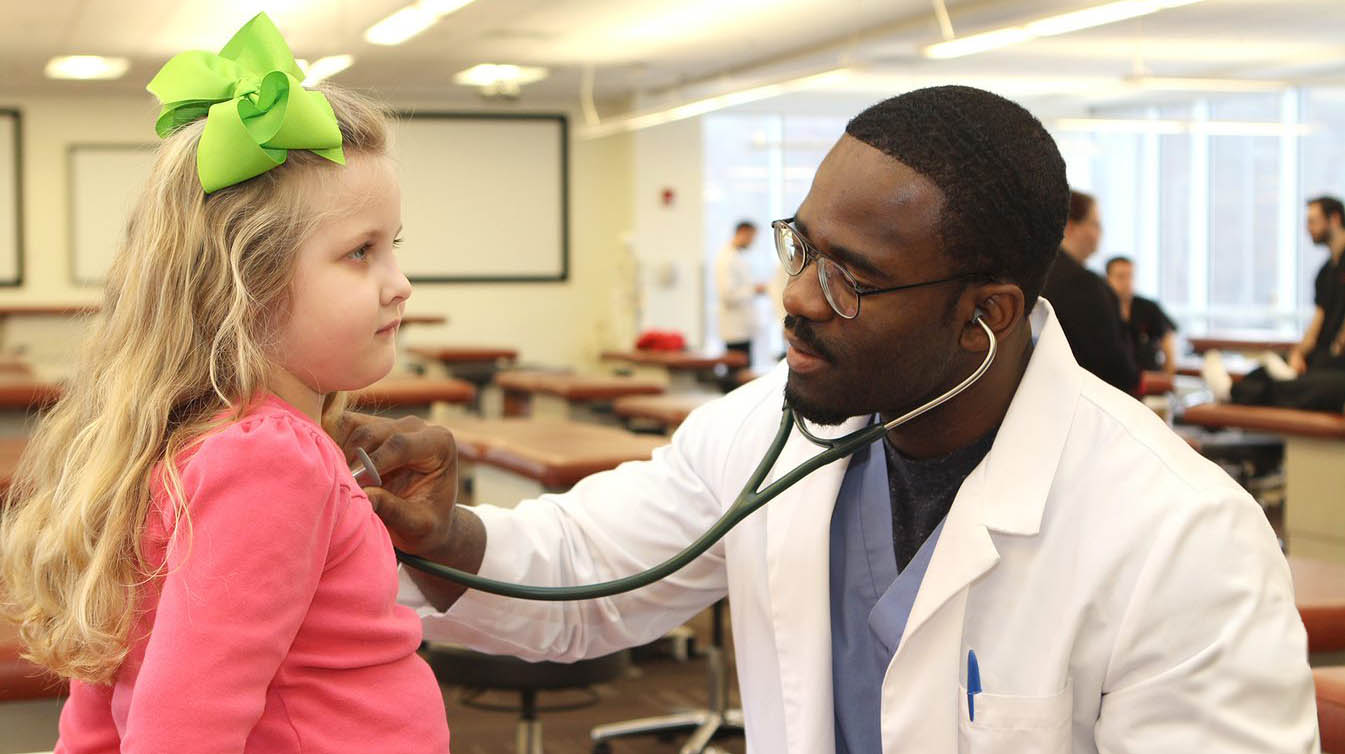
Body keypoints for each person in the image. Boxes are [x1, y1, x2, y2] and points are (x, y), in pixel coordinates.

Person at [348, 87, 1315, 753]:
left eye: (853, 277)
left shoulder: (1180, 537)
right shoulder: (770, 429)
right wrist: (448, 534)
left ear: (986, 315)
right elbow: (590, 573)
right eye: (802, 247)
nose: (799, 297)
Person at [0, 14, 450, 753]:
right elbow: (183, 729)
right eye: (359, 253)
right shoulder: (272, 461)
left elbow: (106, 691)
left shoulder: (185, 440)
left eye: (392, 247)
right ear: (249, 284)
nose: (399, 284)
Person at [1205, 195, 1345, 411]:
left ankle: (1233, 393)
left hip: (1338, 363)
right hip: (1324, 356)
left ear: (1334, 219)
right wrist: (1299, 353)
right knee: (1268, 368)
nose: (1307, 228)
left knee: (1312, 386)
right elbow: (1319, 320)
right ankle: (1235, 389)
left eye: (1312, 221)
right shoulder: (1325, 272)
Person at [1040, 190, 1140, 393]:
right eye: (1094, 224)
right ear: (1070, 227)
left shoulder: (1037, 271)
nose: (1100, 232)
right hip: (1081, 397)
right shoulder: (1082, 283)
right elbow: (1113, 364)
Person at [1105, 256, 1178, 374]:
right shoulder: (1102, 308)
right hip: (1113, 379)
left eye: (1130, 276)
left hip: (1149, 377)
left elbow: (1167, 339)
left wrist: (1167, 377)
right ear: (1108, 278)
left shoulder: (1148, 307)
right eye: (1120, 277)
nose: (1127, 282)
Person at [715, 220, 767, 363]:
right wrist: (754, 289)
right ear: (743, 233)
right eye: (752, 237)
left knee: (746, 368)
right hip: (735, 330)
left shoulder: (737, 257)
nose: (752, 241)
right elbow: (728, 295)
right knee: (738, 373)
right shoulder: (726, 258)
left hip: (743, 328)